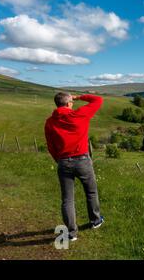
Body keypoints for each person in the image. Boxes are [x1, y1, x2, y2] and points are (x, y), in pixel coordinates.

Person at [45, 93, 104, 242]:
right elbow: (98, 99)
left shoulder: (50, 122)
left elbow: (51, 146)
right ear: (69, 103)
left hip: (64, 162)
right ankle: (95, 221)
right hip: (83, 159)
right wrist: (78, 97)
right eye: (72, 101)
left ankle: (72, 233)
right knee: (91, 191)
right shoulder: (79, 115)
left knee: (67, 199)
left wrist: (59, 160)